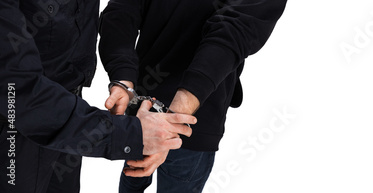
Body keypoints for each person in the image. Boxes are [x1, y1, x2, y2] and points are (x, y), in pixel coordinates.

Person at [0, 1, 195, 193]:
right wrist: (129, 134)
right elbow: (16, 88)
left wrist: (122, 79)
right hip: (13, 129)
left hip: (71, 118)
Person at [99, 0, 287, 192]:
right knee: (135, 177)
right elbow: (121, 12)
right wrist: (123, 80)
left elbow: (234, 31)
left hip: (184, 119)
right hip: (147, 113)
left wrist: (170, 124)